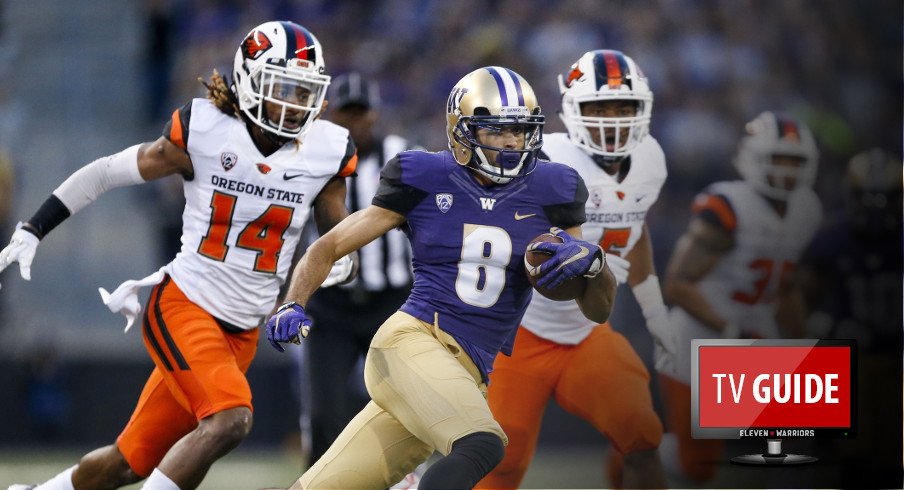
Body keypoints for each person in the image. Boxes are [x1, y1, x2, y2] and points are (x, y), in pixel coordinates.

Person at [2, 21, 356, 490]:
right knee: (231, 419)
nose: (293, 105)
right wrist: (35, 226)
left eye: (303, 92)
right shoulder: (207, 130)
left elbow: (336, 232)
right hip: (184, 306)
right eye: (282, 89)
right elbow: (108, 172)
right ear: (250, 81)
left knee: (129, 462)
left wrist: (344, 260)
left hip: (243, 331)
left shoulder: (327, 151)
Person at [267, 66, 618, 489]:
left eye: (520, 131)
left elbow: (595, 309)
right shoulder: (425, 175)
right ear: (462, 132)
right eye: (495, 130)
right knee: (482, 443)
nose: (511, 142)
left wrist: (595, 267)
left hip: (464, 372)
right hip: (412, 342)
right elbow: (327, 245)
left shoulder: (554, 187)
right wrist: (294, 300)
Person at [476, 49, 670, 490]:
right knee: (497, 460)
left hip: (585, 334)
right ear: (571, 110)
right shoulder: (543, 158)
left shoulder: (651, 161)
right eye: (598, 108)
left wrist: (655, 310)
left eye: (624, 108)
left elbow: (633, 231)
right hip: (518, 337)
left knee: (641, 435)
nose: (613, 120)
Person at [657, 111, 822, 483]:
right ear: (753, 157)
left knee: (785, 452)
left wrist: (800, 338)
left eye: (794, 160)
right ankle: (641, 457)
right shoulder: (728, 206)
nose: (787, 169)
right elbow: (678, 284)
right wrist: (732, 330)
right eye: (778, 158)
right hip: (698, 340)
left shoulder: (807, 208)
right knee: (696, 465)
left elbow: (788, 284)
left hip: (757, 335)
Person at [297, 72, 417, 464]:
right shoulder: (309, 157)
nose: (353, 122)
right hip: (330, 304)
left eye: (359, 112)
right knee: (322, 414)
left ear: (374, 115)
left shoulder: (401, 156)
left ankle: (406, 478)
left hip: (391, 304)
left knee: (409, 406)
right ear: (330, 116)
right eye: (345, 114)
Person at [800, 148, 902, 488]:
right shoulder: (834, 240)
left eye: (885, 199)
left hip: (898, 360)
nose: (876, 209)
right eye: (867, 199)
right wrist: (821, 332)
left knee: (891, 455)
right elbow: (803, 298)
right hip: (850, 361)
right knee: (852, 455)